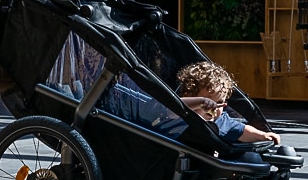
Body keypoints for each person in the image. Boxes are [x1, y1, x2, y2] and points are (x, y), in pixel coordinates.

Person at [105, 59, 285, 159]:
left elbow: (242, 130)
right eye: (208, 102)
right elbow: (173, 107)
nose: (214, 108)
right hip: (162, 156)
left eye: (219, 103)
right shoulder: (179, 116)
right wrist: (198, 102)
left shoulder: (219, 121)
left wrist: (264, 136)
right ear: (191, 95)